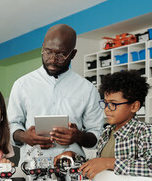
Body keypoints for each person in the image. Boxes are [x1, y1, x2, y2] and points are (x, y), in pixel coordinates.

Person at [8, 24, 104, 165]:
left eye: (61, 54)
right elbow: (11, 125)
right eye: (48, 52)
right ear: (42, 47)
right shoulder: (22, 85)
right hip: (31, 165)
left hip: (71, 167)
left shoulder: (87, 89)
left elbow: (96, 135)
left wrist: (79, 136)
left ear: (73, 54)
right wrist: (24, 136)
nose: (53, 60)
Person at [79, 70, 152, 179]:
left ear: (134, 106)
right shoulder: (106, 132)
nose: (107, 109)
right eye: (106, 103)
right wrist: (74, 157)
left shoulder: (144, 131)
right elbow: (99, 164)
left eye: (113, 104)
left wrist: (110, 163)